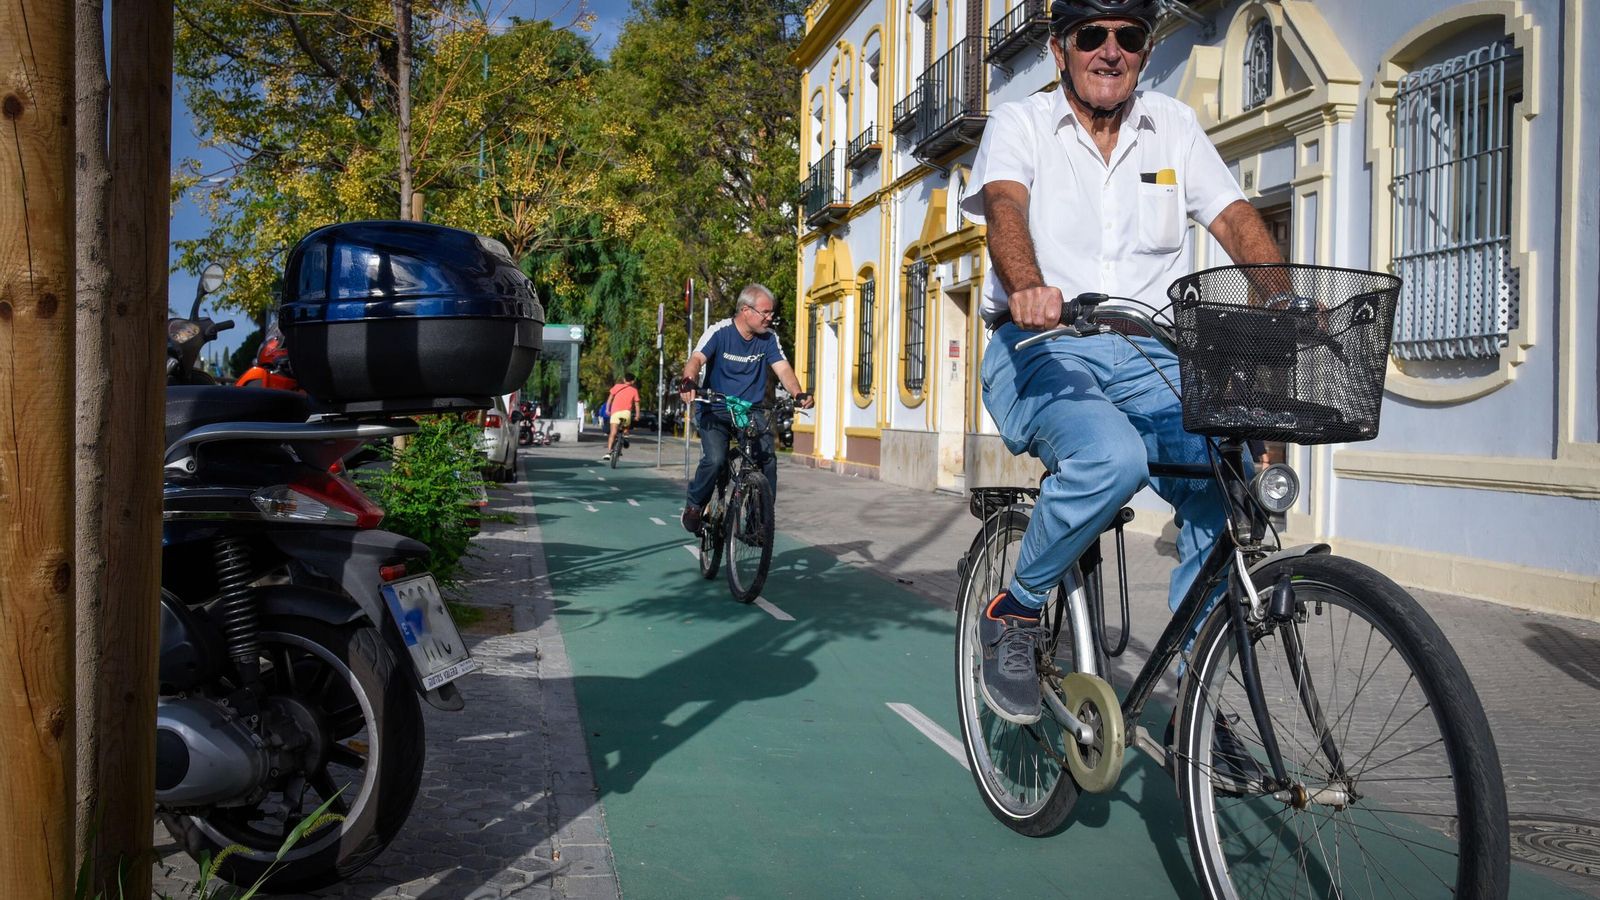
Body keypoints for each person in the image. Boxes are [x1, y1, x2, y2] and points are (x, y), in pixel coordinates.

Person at [960, 0, 1285, 724]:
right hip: (1041, 345)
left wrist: (1284, 299)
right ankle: (1016, 609)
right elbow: (1005, 208)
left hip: (1149, 353)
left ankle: (1201, 694)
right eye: (1092, 35)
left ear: (1145, 49)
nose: (1111, 50)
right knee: (1112, 458)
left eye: (1129, 36)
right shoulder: (1021, 123)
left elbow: (1233, 218)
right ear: (1060, 49)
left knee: (1227, 475)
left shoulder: (1173, 127)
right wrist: (1027, 286)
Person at [676, 283, 813, 533]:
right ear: (746, 310)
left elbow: (783, 369)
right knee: (716, 459)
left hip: (749, 411)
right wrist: (688, 381)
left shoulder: (769, 338)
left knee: (767, 460)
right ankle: (694, 505)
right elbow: (696, 360)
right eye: (765, 312)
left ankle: (757, 523)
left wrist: (797, 393)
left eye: (771, 312)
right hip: (715, 408)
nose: (770, 317)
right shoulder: (719, 332)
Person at [600, 374, 641, 462]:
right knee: (626, 428)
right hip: (626, 413)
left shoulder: (617, 386)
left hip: (615, 413)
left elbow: (609, 399)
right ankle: (626, 437)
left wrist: (607, 409)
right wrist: (637, 415)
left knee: (613, 433)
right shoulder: (634, 390)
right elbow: (637, 404)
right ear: (633, 381)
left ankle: (609, 452)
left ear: (624, 379)